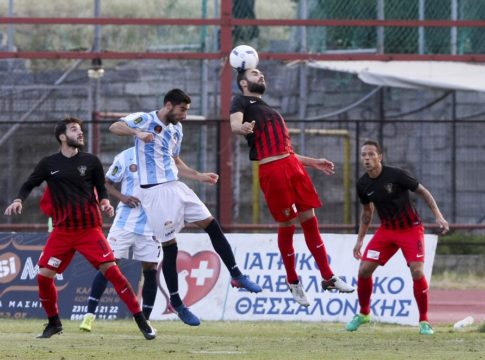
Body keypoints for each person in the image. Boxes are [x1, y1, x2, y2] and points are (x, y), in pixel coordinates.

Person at [109, 88, 262, 326]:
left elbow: (176, 161)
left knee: (211, 224)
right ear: (169, 105)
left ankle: (236, 275)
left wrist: (199, 176)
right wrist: (137, 132)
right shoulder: (146, 119)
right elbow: (115, 127)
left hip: (177, 187)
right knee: (170, 247)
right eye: (183, 110)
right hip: (154, 193)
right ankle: (177, 303)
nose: (185, 116)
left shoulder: (176, 129)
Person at [4, 117, 155, 340]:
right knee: (44, 277)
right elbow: (29, 184)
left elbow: (101, 188)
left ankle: (141, 321)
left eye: (81, 129)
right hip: (62, 232)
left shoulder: (91, 161)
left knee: (112, 272)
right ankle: (54, 323)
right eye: (75, 130)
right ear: (62, 137)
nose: (80, 133)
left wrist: (104, 202)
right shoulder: (48, 164)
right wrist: (18, 200)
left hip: (89, 230)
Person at [230, 68, 354, 307]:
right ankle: (293, 280)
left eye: (261, 73)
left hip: (293, 166)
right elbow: (235, 124)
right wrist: (242, 128)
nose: (262, 75)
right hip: (273, 172)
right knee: (288, 224)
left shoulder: (267, 108)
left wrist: (312, 162)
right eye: (256, 73)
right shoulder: (241, 100)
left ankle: (328, 276)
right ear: (244, 83)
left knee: (310, 219)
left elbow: (285, 150)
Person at [345, 140, 449, 335]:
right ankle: (364, 314)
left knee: (417, 272)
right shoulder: (363, 184)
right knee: (364, 270)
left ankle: (424, 321)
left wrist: (438, 215)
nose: (366, 158)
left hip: (411, 229)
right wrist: (360, 240)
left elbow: (423, 191)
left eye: (371, 154)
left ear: (380, 157)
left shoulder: (397, 175)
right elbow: (367, 213)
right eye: (363, 155)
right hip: (387, 231)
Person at [79, 147, 160, 332]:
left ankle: (145, 321)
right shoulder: (125, 156)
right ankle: (89, 316)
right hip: (125, 222)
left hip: (152, 223)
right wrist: (122, 197)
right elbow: (106, 183)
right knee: (108, 265)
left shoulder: (162, 156)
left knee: (150, 268)